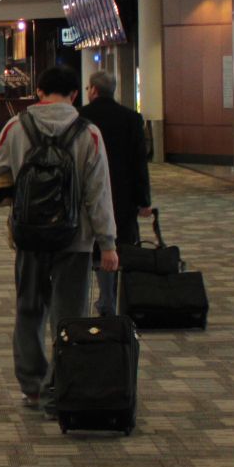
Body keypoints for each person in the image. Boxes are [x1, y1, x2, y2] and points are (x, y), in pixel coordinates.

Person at [0, 64, 118, 414]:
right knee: (69, 316)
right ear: (75, 94)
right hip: (76, 239)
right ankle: (62, 385)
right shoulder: (89, 133)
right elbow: (98, 193)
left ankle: (32, 387)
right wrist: (108, 243)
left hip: (29, 237)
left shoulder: (16, 126)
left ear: (39, 92)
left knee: (29, 310)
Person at [80, 70, 152, 315]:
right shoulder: (132, 118)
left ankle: (99, 298)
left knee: (91, 246)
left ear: (93, 90)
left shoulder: (81, 117)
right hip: (123, 193)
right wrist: (143, 200)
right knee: (120, 244)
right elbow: (139, 162)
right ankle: (112, 297)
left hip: (88, 191)